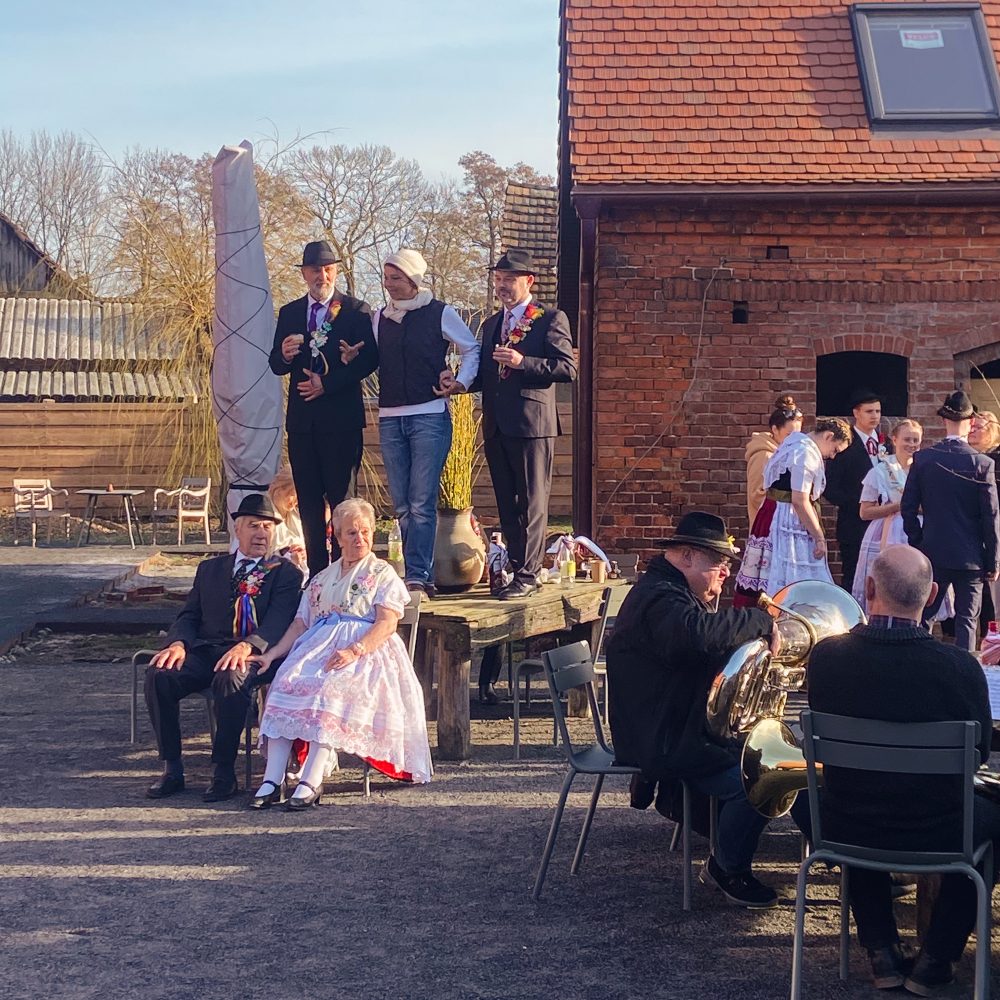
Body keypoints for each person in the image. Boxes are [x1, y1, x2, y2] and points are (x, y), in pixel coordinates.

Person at [809, 544, 999, 994]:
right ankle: (938, 958)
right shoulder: (959, 668)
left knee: (840, 801)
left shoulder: (826, 658)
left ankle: (881, 950)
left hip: (850, 829)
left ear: (869, 588)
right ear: (933, 595)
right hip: (940, 830)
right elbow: (980, 756)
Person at [607, 511, 809, 909]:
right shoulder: (659, 598)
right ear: (685, 556)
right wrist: (758, 620)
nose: (724, 574)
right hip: (662, 738)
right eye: (718, 564)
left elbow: (698, 645)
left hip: (674, 726)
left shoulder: (671, 593)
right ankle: (726, 867)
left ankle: (838, 855)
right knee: (765, 774)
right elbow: (696, 637)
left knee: (796, 762)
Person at [249, 498, 432, 810]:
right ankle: (272, 778)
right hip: (317, 649)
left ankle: (312, 779)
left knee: (329, 692)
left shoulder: (381, 572)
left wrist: (354, 650)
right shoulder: (321, 578)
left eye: (364, 532)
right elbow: (299, 625)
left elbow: (387, 623)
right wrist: (272, 654)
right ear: (337, 536)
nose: (359, 538)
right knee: (284, 681)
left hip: (367, 654)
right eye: (351, 533)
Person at [144, 494, 304, 802]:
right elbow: (190, 615)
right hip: (206, 650)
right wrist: (178, 643)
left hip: (255, 655)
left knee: (231, 679)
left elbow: (277, 621)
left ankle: (223, 772)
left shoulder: (285, 573)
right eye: (254, 525)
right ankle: (172, 769)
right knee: (160, 674)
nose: (261, 533)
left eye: (268, 527)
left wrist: (247, 646)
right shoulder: (211, 570)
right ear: (237, 530)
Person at [443, 248, 575, 601]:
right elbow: (487, 374)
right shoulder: (490, 325)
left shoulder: (549, 318)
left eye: (509, 280)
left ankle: (531, 573)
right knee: (507, 501)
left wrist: (523, 361)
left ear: (528, 281)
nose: (502, 286)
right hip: (497, 424)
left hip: (533, 424)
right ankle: (516, 567)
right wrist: (458, 384)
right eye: (498, 279)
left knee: (532, 501)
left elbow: (567, 368)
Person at [370, 248, 479, 598]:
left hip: (429, 415)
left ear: (414, 279)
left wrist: (462, 381)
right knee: (401, 503)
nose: (390, 285)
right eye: (387, 278)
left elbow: (471, 348)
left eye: (397, 278)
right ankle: (414, 570)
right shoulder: (378, 318)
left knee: (421, 501)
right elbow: (373, 357)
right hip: (389, 417)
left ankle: (419, 575)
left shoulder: (439, 313)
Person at [268, 240, 378, 578]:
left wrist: (328, 383)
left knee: (343, 502)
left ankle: (348, 574)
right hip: (303, 424)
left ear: (337, 271)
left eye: (329, 268)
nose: (323, 275)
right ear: (304, 273)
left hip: (341, 421)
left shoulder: (357, 311)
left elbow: (371, 360)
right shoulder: (289, 313)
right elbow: (275, 364)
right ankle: (317, 576)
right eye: (315, 269)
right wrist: (285, 355)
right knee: (310, 503)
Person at [901, 390, 1000, 652]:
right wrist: (993, 560)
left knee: (924, 616)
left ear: (945, 421)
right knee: (967, 621)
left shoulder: (924, 459)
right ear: (969, 423)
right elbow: (991, 517)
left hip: (933, 550)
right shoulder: (982, 463)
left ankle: (919, 666)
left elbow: (908, 508)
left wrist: (919, 542)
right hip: (970, 556)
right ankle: (964, 675)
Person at [734, 417, 852, 606]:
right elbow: (800, 500)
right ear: (829, 436)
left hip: (773, 513)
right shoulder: (805, 453)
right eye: (835, 449)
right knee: (789, 577)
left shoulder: (794, 442)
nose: (833, 456)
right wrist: (819, 536)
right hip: (785, 520)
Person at [850, 419, 922, 612]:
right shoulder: (879, 472)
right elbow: (865, 512)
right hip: (886, 531)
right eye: (907, 439)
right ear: (895, 439)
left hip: (917, 531)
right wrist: (896, 506)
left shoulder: (924, 470)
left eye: (916, 440)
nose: (912, 444)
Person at [824, 389, 886, 589]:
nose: (875, 416)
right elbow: (830, 487)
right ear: (856, 413)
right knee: (854, 575)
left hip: (885, 523)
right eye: (869, 411)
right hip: (854, 524)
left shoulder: (886, 444)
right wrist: (859, 503)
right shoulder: (845, 445)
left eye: (877, 411)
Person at [745, 394, 803, 525]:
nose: (793, 439)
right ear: (775, 429)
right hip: (767, 527)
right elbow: (757, 495)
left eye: (797, 435)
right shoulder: (764, 456)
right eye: (789, 434)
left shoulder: (788, 452)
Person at [268, 464, 307, 575]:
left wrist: (304, 552)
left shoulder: (296, 517)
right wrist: (289, 559)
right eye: (292, 495)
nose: (296, 501)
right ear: (279, 489)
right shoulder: (265, 517)